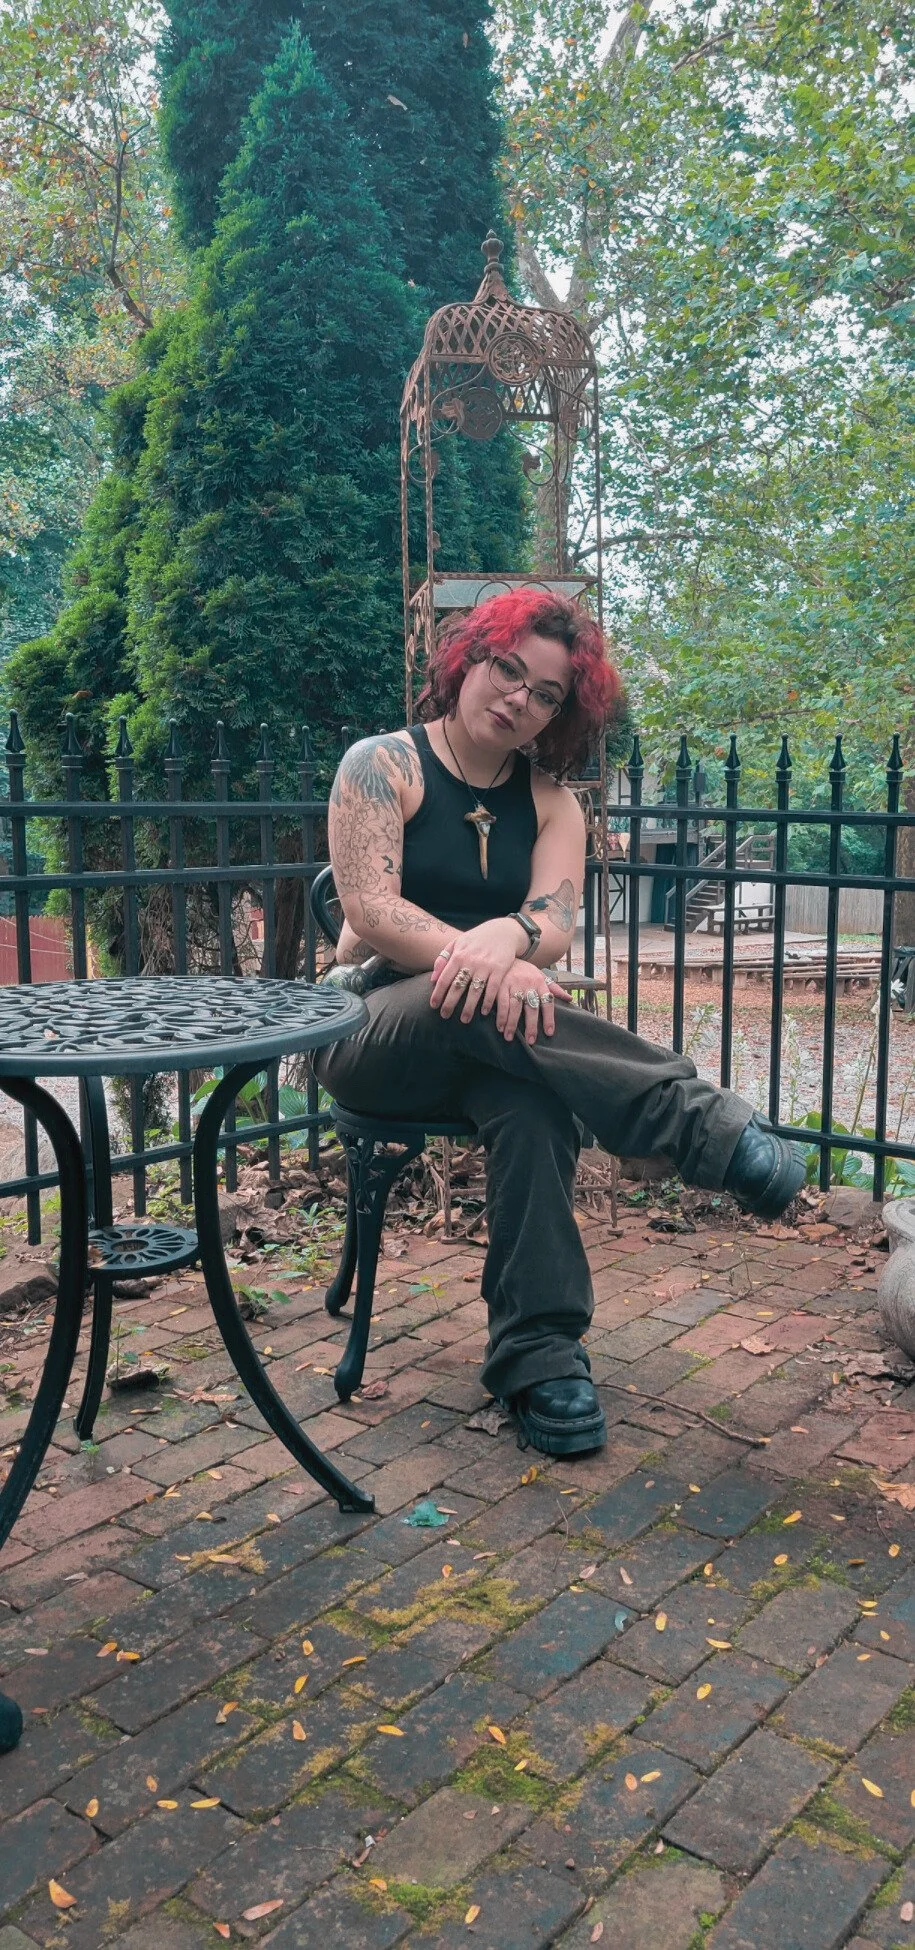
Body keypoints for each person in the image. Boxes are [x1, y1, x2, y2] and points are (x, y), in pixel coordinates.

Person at [313, 589, 804, 1457]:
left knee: (532, 1108)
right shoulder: (379, 765)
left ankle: (538, 1356)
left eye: (544, 695)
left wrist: (510, 936)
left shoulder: (550, 802)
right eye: (509, 671)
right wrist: (499, 952)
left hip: (490, 1027)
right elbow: (374, 912)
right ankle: (694, 1124)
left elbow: (555, 920)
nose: (518, 700)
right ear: (468, 659)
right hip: (370, 1026)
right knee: (480, 993)